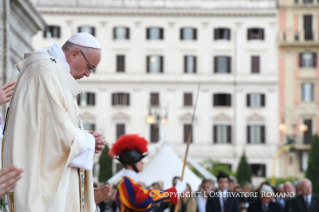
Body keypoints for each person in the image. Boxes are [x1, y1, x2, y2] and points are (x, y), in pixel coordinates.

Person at [2, 33, 106, 211]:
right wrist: (88, 142)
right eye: (90, 67)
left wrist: (85, 137)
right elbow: (54, 135)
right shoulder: (45, 72)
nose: (88, 74)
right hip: (40, 188)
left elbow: (50, 127)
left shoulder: (54, 73)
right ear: (74, 55)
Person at [109, 134, 187, 212]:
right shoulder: (127, 183)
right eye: (139, 160)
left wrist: (174, 193)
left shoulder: (128, 183)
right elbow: (144, 199)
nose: (142, 163)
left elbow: (147, 195)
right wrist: (174, 191)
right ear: (130, 164)